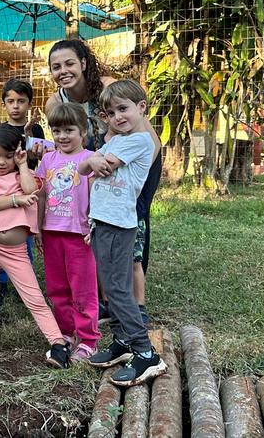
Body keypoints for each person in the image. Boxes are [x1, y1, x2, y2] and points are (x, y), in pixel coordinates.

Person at [45, 39, 161, 324]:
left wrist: (134, 186)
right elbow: (65, 145)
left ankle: (135, 304)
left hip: (135, 164)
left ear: (84, 63)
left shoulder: (108, 88)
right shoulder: (55, 102)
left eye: (70, 63)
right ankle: (108, 299)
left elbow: (152, 142)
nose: (63, 71)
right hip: (96, 167)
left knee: (132, 229)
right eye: (56, 67)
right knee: (99, 230)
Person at [80, 80, 167, 386]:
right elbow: (84, 168)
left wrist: (92, 160)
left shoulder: (140, 141)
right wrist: (90, 160)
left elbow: (102, 165)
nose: (117, 117)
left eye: (123, 109)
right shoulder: (117, 140)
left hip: (119, 224)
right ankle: (122, 341)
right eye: (111, 112)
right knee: (109, 284)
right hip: (102, 221)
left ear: (141, 108)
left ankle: (145, 353)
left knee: (118, 288)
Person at [0, 124, 71, 369]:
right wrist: (16, 200)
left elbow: (31, 190)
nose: (2, 162)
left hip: (15, 251)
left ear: (19, 153)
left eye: (8, 155)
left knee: (33, 297)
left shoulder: (24, 177)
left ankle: (58, 344)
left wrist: (23, 165)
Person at [35, 102, 99, 362]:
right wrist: (37, 227)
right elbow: (41, 195)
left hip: (79, 235)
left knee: (82, 289)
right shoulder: (47, 160)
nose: (62, 136)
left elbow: (96, 195)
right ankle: (66, 332)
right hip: (52, 233)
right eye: (57, 131)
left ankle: (89, 339)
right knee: (57, 288)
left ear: (83, 131)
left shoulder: (91, 159)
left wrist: (94, 225)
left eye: (69, 130)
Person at [0, 78, 44, 307]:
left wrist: (30, 145)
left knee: (25, 236)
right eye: (11, 101)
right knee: (3, 234)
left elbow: (39, 157)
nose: (16, 106)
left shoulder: (35, 129)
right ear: (4, 103)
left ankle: (25, 283)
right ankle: (1, 283)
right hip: (5, 191)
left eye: (21, 101)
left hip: (28, 187)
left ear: (29, 104)